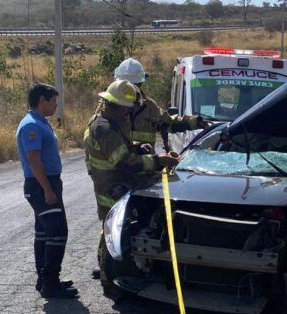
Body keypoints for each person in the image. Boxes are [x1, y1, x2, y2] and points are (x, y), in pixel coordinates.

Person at [84, 80, 178, 284]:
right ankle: (109, 278)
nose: (130, 113)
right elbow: (124, 162)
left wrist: (138, 146)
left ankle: (109, 269)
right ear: (118, 106)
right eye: (128, 109)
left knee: (112, 228)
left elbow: (122, 149)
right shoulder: (105, 128)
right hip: (111, 187)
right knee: (114, 231)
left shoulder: (111, 121)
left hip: (114, 184)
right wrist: (158, 161)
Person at [16, 83, 77, 298]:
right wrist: (47, 190)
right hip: (40, 185)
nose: (56, 105)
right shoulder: (31, 125)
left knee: (43, 233)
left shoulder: (41, 122)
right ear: (42, 100)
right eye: (53, 101)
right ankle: (50, 282)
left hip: (46, 183)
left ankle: (45, 280)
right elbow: (34, 161)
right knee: (58, 232)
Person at [110, 58, 209, 151]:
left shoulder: (149, 107)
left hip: (146, 165)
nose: (130, 90)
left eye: (133, 86)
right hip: (119, 166)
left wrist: (194, 122)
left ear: (140, 84)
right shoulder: (109, 106)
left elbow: (169, 123)